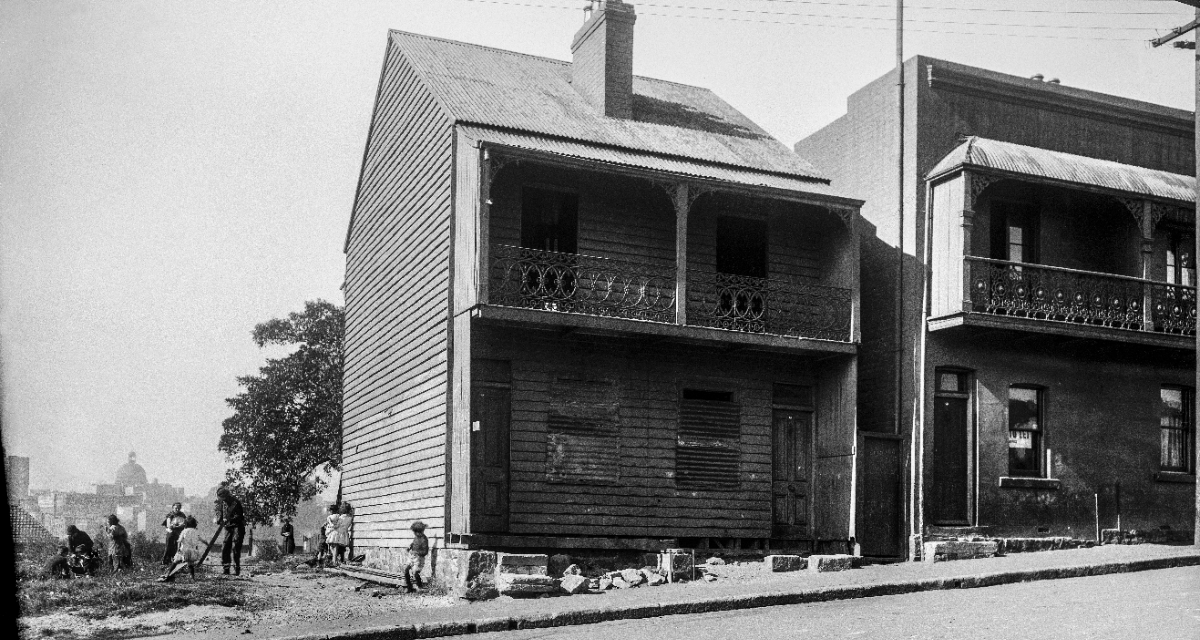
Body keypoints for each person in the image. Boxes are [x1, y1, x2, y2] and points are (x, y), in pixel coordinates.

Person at [159, 516, 205, 582]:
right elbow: (201, 539)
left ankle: (167, 574)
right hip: (192, 551)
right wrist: (207, 543)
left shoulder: (184, 531)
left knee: (175, 562)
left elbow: (179, 540)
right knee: (190, 565)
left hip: (183, 550)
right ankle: (192, 578)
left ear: (186, 524)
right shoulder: (195, 531)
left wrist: (178, 549)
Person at [215, 487, 246, 575]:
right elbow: (219, 512)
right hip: (228, 527)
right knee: (225, 546)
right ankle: (226, 568)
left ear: (225, 496)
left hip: (238, 526)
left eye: (221, 497)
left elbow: (239, 516)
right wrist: (219, 519)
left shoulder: (235, 503)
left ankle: (237, 568)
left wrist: (229, 520)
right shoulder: (222, 503)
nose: (219, 499)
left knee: (236, 546)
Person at [403, 521, 428, 592]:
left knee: (415, 572)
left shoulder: (424, 540)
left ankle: (420, 587)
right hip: (412, 557)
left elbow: (425, 552)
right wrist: (410, 547)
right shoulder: (416, 537)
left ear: (421, 531)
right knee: (405, 569)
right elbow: (414, 544)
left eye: (416, 532)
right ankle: (409, 587)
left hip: (419, 559)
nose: (414, 534)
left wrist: (417, 552)